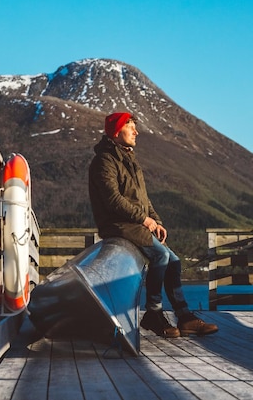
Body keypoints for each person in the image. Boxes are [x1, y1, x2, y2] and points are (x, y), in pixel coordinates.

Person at [88, 111, 218, 338]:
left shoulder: (129, 158)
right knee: (161, 256)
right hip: (118, 224)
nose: (136, 132)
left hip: (135, 223)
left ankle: (185, 316)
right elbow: (113, 199)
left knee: (175, 261)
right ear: (117, 132)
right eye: (131, 127)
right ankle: (154, 314)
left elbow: (143, 198)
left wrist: (155, 220)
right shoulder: (104, 161)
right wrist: (144, 219)